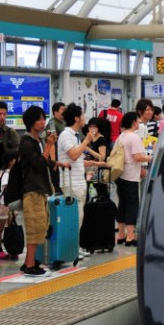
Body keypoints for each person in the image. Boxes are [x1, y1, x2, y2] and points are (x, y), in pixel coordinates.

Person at [57, 104, 99, 258]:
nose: (84, 118)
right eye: (82, 115)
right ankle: (71, 249)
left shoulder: (75, 136)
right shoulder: (66, 135)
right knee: (73, 218)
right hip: (71, 182)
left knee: (79, 217)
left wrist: (95, 163)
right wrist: (87, 140)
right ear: (76, 118)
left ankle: (76, 246)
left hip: (78, 181)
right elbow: (74, 155)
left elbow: (78, 159)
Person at [18, 105, 54, 276]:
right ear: (31, 123)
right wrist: (49, 146)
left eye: (43, 118)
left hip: (39, 189)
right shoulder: (27, 142)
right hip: (31, 190)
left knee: (40, 226)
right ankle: (30, 265)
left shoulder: (36, 141)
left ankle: (29, 261)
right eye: (39, 119)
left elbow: (44, 162)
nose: (43, 122)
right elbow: (39, 164)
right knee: (34, 227)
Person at [115, 112, 152, 247]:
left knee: (122, 203)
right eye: (137, 120)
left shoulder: (121, 136)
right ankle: (130, 236)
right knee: (132, 204)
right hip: (131, 175)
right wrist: (152, 158)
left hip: (120, 175)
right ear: (133, 122)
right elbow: (138, 157)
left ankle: (121, 234)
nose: (139, 123)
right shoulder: (134, 137)